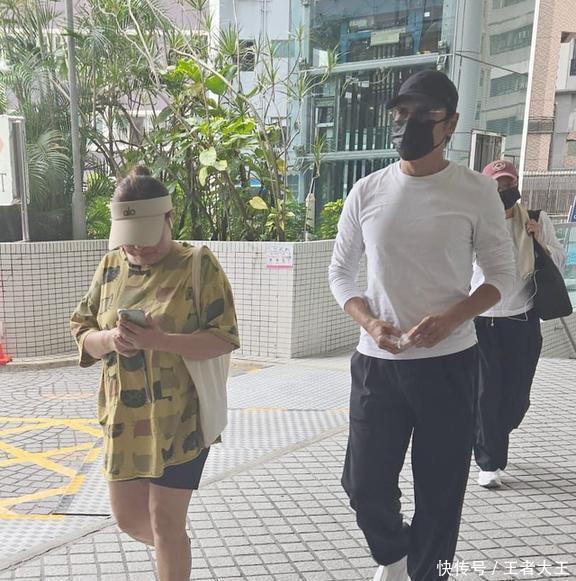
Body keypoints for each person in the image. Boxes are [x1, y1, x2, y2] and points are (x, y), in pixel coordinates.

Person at [328, 70, 516, 581]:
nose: (408, 123)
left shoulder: (475, 191)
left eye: (423, 113)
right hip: (377, 364)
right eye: (401, 113)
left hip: (449, 364)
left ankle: (429, 573)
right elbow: (340, 273)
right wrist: (369, 321)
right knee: (363, 485)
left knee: (440, 490)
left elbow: (501, 275)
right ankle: (396, 555)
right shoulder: (367, 190)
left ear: (450, 122)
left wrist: (454, 317)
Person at [70, 166, 240, 581]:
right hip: (123, 419)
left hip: (180, 419)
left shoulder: (197, 264)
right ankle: (175, 548)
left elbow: (223, 338)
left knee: (165, 521)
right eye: (129, 239)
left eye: (146, 237)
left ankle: (172, 546)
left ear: (169, 218)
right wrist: (111, 340)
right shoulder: (110, 265)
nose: (138, 248)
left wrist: (160, 341)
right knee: (129, 518)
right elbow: (82, 331)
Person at [471, 160, 565, 489]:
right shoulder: (475, 221)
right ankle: (489, 461)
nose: (503, 189)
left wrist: (539, 241)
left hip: (522, 320)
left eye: (508, 183)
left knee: (516, 397)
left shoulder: (536, 219)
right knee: (486, 393)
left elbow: (559, 260)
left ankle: (490, 435)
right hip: (482, 321)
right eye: (497, 184)